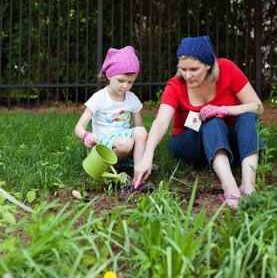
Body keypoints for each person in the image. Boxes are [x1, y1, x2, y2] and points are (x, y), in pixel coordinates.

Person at [134, 35, 264, 208]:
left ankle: (249, 186)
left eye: (194, 69)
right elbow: (161, 122)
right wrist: (147, 156)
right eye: (183, 69)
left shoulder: (227, 69)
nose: (187, 75)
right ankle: (230, 187)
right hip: (190, 142)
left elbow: (258, 106)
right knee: (211, 120)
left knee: (248, 116)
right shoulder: (175, 85)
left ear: (208, 65)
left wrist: (224, 110)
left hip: (227, 140)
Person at [75, 46, 148, 189]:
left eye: (130, 82)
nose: (125, 86)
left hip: (124, 138)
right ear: (109, 75)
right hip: (103, 141)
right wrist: (87, 136)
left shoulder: (131, 98)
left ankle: (138, 177)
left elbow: (139, 128)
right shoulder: (99, 98)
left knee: (141, 132)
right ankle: (109, 164)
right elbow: (78, 127)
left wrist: (145, 138)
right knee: (125, 143)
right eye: (121, 80)